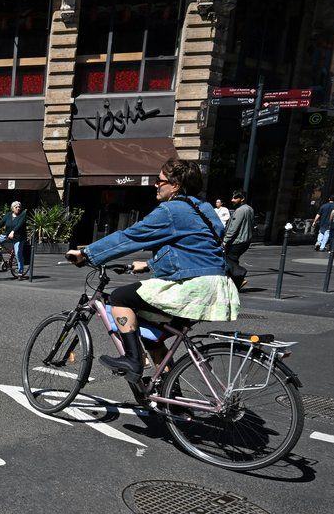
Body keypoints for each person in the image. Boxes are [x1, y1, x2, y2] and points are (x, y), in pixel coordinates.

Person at [66, 158, 238, 380]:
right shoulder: (205, 208)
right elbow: (194, 248)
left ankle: (133, 360)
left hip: (193, 285)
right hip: (216, 285)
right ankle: (168, 390)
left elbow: (130, 237)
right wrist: (149, 264)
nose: (156, 184)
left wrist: (87, 254)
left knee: (119, 298)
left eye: (160, 180)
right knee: (151, 334)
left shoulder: (171, 210)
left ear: (175, 185)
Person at [222, 190, 254, 289]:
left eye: (235, 198)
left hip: (237, 241)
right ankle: (235, 284)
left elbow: (233, 228)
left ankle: (240, 277)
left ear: (242, 198)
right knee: (233, 261)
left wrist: (225, 241)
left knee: (228, 260)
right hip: (245, 241)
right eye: (232, 197)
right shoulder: (250, 209)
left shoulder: (240, 210)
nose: (232, 200)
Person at [0, 201, 29, 278]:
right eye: (16, 207)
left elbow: (19, 225)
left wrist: (13, 231)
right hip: (8, 235)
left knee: (18, 253)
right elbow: (1, 222)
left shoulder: (23, 215)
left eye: (19, 207)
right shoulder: (8, 215)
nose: (18, 208)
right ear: (12, 208)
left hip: (19, 237)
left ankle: (20, 271)